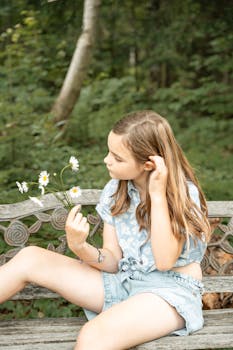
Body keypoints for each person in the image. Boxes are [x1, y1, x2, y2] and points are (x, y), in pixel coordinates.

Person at [0, 110, 211, 350]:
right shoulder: (115, 190)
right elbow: (112, 261)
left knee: (93, 336)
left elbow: (164, 261)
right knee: (31, 258)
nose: (106, 160)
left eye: (117, 157)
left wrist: (157, 195)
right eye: (109, 151)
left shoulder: (183, 194)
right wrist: (80, 246)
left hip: (170, 293)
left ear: (148, 164)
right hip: (123, 282)